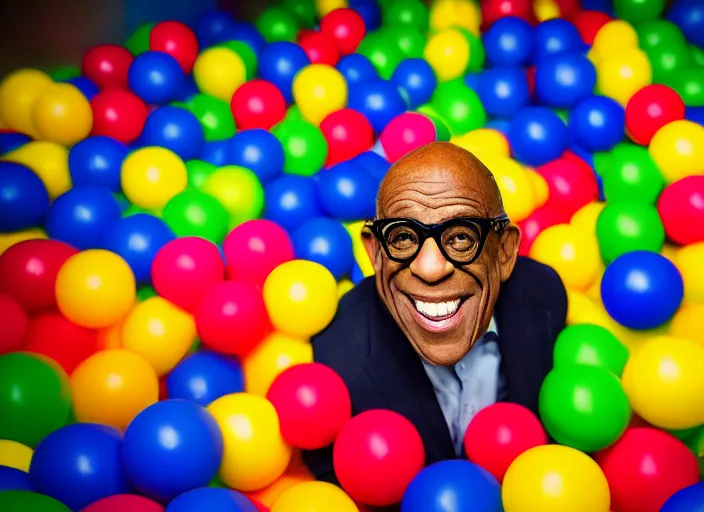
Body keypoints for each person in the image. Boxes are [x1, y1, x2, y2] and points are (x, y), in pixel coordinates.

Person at [302, 142, 568, 503]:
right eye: (404, 237)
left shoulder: (543, 296)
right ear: (376, 253)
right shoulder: (336, 360)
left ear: (505, 252)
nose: (429, 268)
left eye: (461, 236)